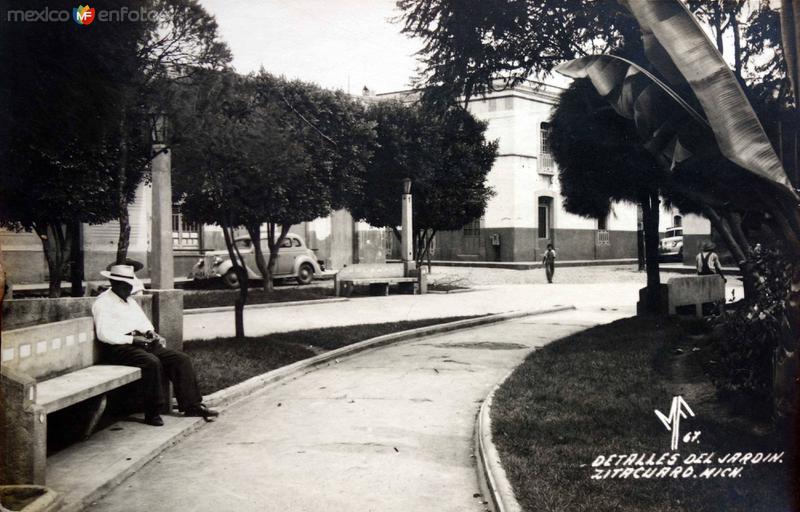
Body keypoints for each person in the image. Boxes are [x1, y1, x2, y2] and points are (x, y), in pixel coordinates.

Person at [92, 264, 218, 426]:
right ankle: (152, 412)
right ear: (114, 283)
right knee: (152, 363)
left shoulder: (128, 300)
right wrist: (133, 340)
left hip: (138, 343)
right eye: (124, 285)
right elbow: (104, 335)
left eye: (130, 285)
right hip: (118, 348)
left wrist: (150, 332)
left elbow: (142, 321)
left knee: (180, 359)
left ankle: (192, 405)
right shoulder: (103, 303)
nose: (128, 289)